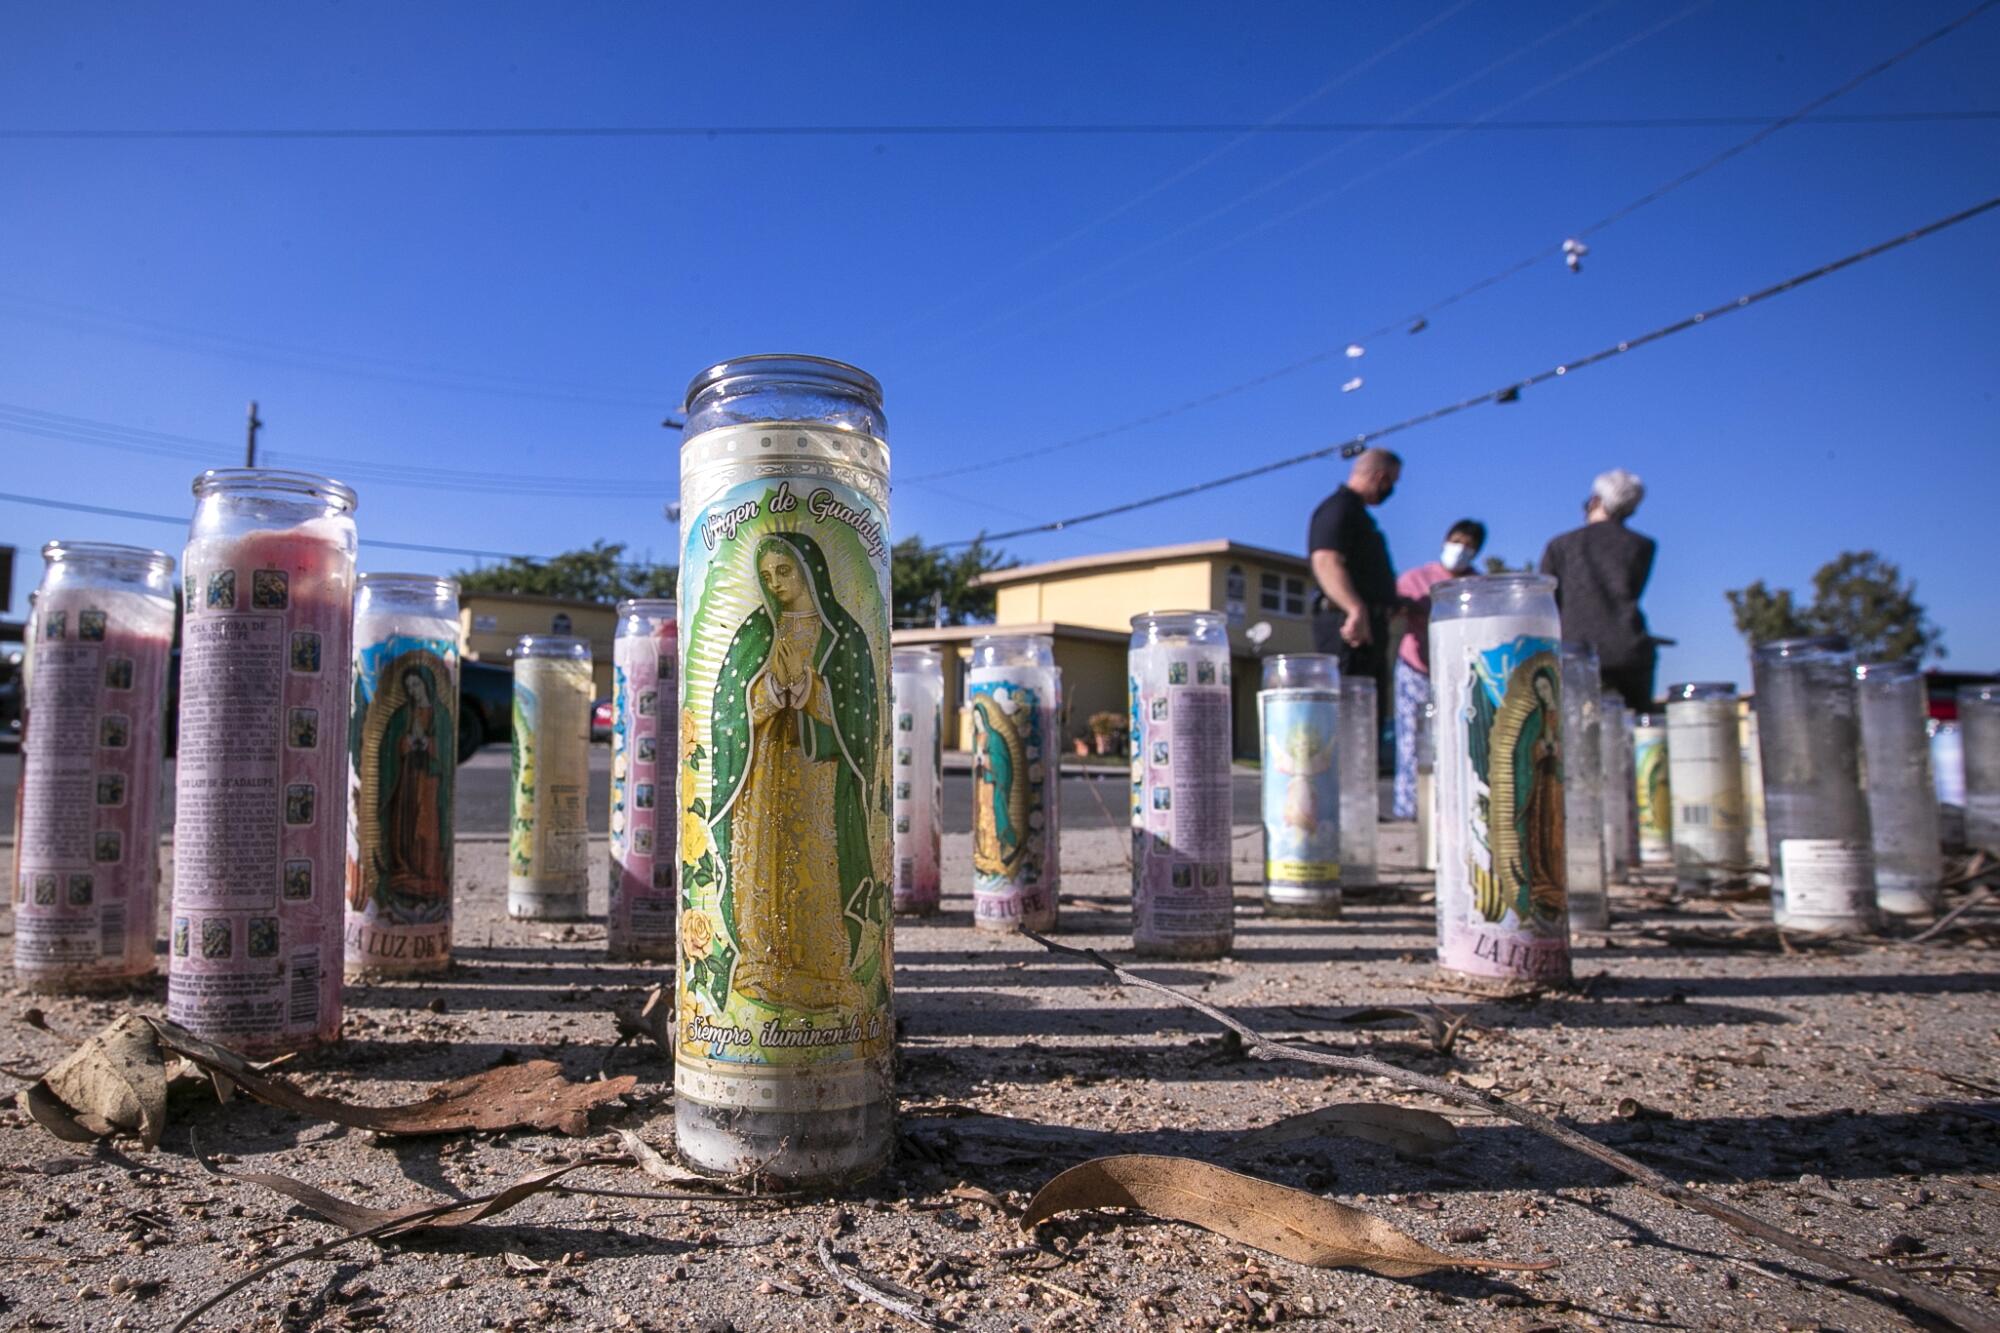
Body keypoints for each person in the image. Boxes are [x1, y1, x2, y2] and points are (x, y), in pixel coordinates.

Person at [1389, 519, 1486, 818]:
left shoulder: (1478, 586)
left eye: (1469, 546)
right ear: (1446, 541)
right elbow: (1392, 609)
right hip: (1415, 668)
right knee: (1410, 741)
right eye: (1457, 541)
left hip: (1458, 674)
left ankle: (1454, 808)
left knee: (1455, 739)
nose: (1461, 549)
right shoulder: (1417, 578)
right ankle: (1409, 808)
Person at [1539, 468, 1658, 710]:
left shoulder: (1561, 545)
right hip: (1630, 650)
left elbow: (1546, 601)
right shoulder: (1642, 546)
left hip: (1576, 652)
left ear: (1595, 501)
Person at [1306, 449, 1402, 689]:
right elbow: (1326, 561)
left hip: (1368, 629)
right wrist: (1354, 608)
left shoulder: (1358, 514)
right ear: (1381, 477)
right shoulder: (1339, 509)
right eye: (1392, 481)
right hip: (1350, 632)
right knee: (1349, 713)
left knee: (1369, 716)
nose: (1391, 490)